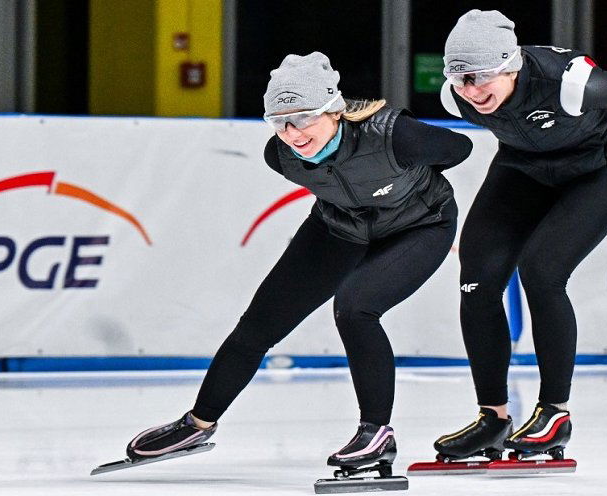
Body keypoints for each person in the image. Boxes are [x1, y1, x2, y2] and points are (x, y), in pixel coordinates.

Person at [123, 52, 473, 473]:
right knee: (257, 326)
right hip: (338, 228)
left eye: (304, 117)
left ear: (334, 110)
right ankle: (197, 423)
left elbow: (461, 148)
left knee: (355, 307)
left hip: (420, 225)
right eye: (279, 121)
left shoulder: (394, 135)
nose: (292, 133)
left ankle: (377, 433)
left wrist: (406, 184)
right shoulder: (281, 156)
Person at [432, 10, 607, 462]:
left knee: (541, 269)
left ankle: (555, 414)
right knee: (476, 277)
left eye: (479, 78)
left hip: (603, 168)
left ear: (510, 64)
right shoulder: (454, 97)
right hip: (524, 168)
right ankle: (493, 419)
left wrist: (600, 89)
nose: (471, 92)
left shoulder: (570, 84)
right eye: (460, 80)